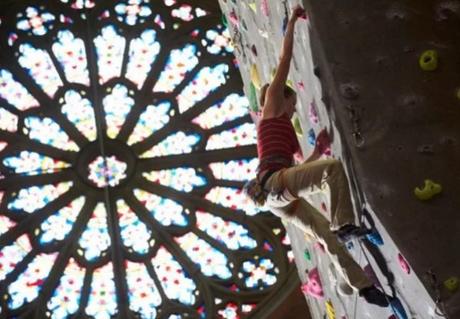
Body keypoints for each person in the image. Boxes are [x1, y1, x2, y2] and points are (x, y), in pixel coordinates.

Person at [243, 5, 389, 308]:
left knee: (325, 235)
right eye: (292, 104)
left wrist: (316, 152)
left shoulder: (280, 130)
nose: (294, 110)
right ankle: (344, 223)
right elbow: (284, 60)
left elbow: (299, 174)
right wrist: (293, 21)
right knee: (333, 171)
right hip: (274, 186)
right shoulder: (270, 109)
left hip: (277, 194)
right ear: (280, 98)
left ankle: (362, 287)